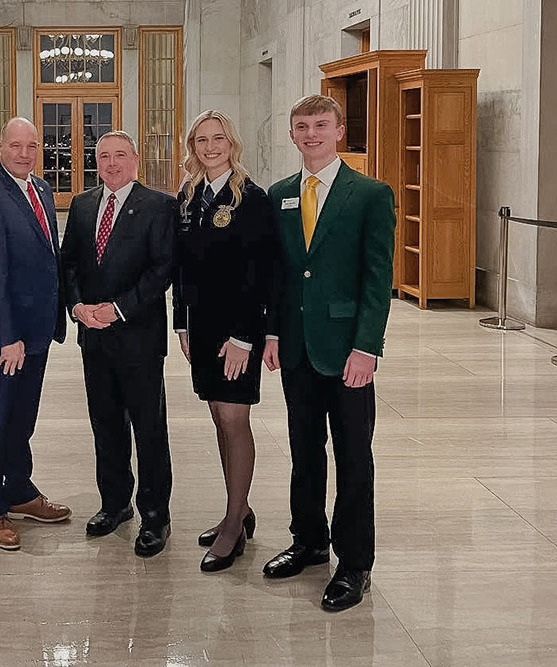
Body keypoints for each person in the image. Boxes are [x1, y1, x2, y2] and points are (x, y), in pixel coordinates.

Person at [262, 94, 395, 611]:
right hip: (296, 347)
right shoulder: (279, 195)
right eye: (301, 126)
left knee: (354, 458)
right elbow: (279, 276)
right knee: (304, 451)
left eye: (321, 125)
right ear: (291, 134)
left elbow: (377, 278)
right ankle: (309, 541)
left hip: (347, 352)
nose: (311, 134)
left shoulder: (369, 194)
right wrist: (272, 333)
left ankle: (355, 562)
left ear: (339, 131)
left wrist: (367, 346)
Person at [60, 130, 176, 558]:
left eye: (120, 155)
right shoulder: (83, 203)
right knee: (105, 423)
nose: (111, 163)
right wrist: (77, 307)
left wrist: (118, 309)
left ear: (136, 159)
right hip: (93, 336)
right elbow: (69, 261)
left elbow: (162, 269)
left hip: (139, 337)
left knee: (148, 429)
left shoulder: (159, 205)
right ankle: (114, 504)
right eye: (103, 156)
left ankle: (155, 514)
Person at [172, 110, 278, 572]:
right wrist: (181, 324)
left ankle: (234, 525)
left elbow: (262, 273)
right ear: (192, 146)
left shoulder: (252, 199)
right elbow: (181, 268)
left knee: (235, 421)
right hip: (203, 328)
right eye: (201, 140)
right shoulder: (190, 196)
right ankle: (239, 508)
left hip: (239, 332)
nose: (210, 147)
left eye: (218, 139)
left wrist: (245, 337)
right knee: (219, 417)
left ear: (231, 143)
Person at [0, 117, 70, 550]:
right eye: (16, 145)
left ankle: (21, 491)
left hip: (37, 331)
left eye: (32, 145)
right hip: (7, 338)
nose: (25, 153)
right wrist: (9, 337)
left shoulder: (42, 190)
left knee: (23, 418)